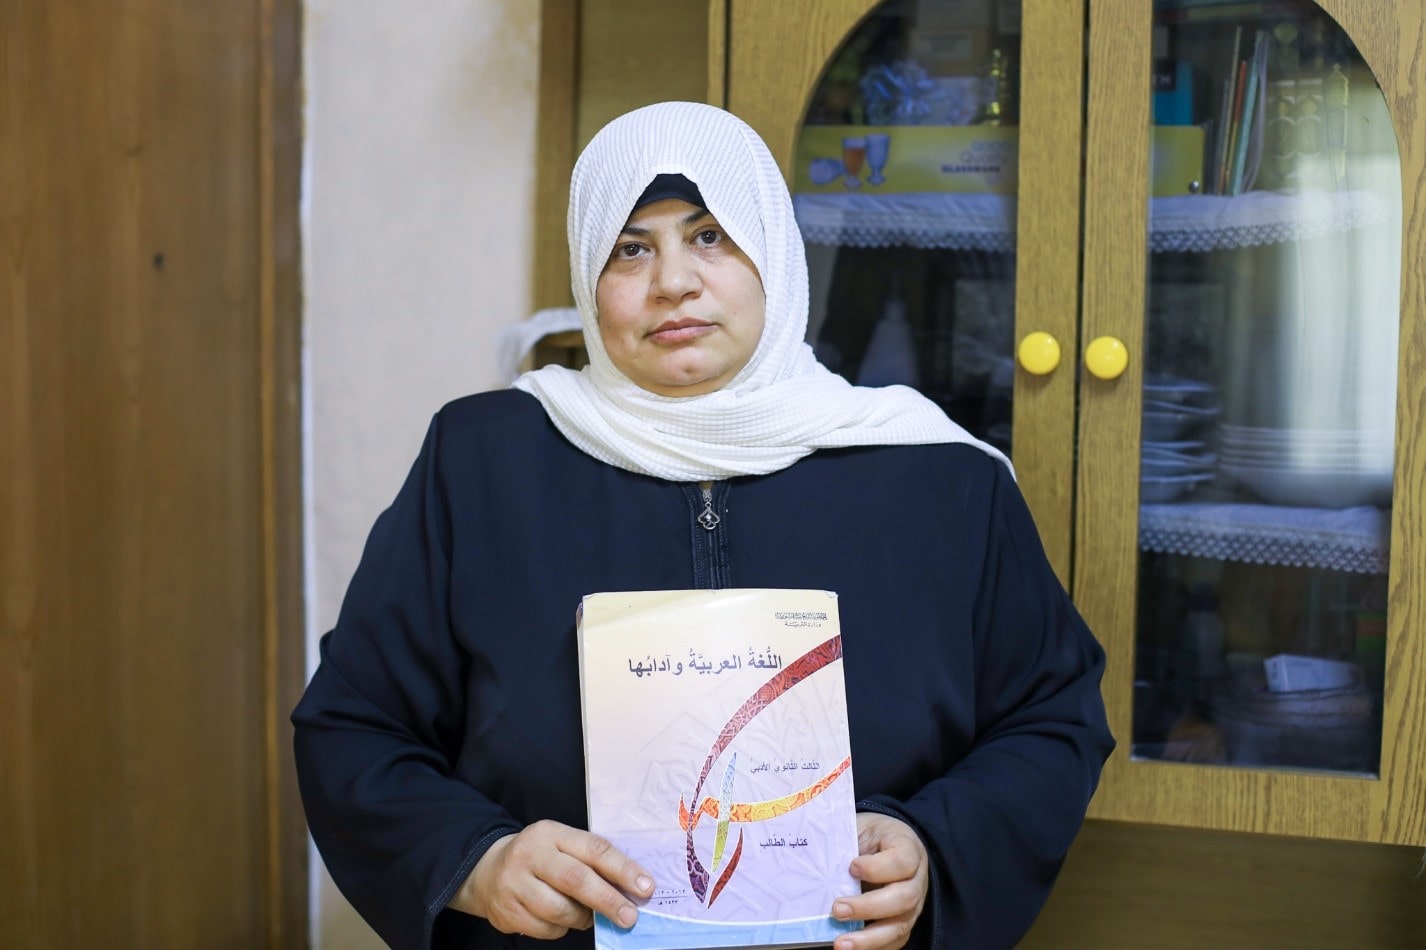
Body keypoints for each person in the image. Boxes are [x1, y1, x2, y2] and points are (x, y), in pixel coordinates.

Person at [293, 100, 1114, 950]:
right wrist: (478, 861)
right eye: (631, 247)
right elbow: (354, 724)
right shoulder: (483, 461)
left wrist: (933, 849)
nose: (673, 282)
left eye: (710, 235)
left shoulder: (939, 475)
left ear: (773, 250)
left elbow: (1050, 720)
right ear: (586, 275)